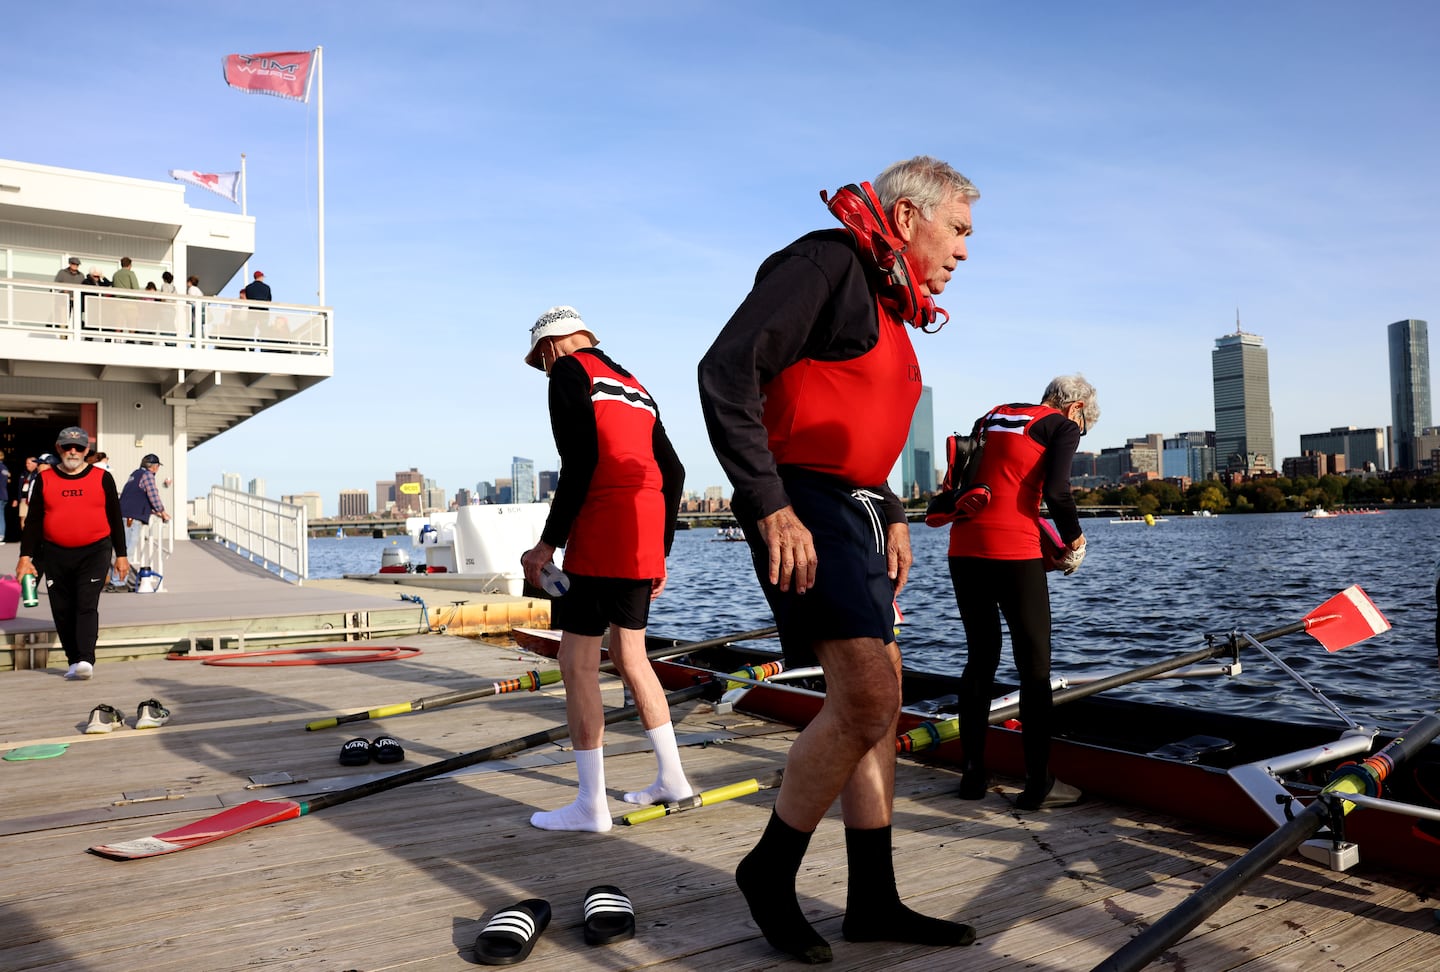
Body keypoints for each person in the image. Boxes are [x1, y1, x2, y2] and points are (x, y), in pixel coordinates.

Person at [697, 155, 980, 963]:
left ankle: (874, 899)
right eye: (957, 230)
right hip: (801, 500)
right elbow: (726, 371)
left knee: (881, 710)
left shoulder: (892, 302)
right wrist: (769, 503)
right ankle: (769, 869)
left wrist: (887, 507)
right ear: (904, 217)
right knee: (866, 695)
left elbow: (854, 418)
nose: (964, 250)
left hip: (854, 509)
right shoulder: (826, 261)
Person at [518, 305, 691, 833]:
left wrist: (547, 545)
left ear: (551, 348)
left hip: (601, 528)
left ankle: (592, 806)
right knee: (631, 655)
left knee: (577, 662)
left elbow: (581, 462)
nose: (544, 371)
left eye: (540, 361)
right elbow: (675, 470)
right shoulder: (634, 384)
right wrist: (659, 549)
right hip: (642, 534)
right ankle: (673, 778)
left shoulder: (569, 373)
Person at [945, 375, 1098, 812]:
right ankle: (1038, 785)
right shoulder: (1061, 426)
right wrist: (1076, 541)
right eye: (1084, 424)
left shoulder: (992, 416)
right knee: (1034, 668)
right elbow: (1056, 492)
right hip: (1014, 552)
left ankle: (972, 775)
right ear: (1077, 408)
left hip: (964, 547)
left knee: (980, 659)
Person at [14, 427, 128, 681]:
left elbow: (115, 518)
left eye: (78, 448)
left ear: (87, 450)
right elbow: (33, 521)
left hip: (95, 550)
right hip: (55, 552)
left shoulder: (102, 478)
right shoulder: (44, 479)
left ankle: (86, 658)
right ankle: (73, 660)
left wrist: (121, 554)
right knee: (62, 608)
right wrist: (25, 557)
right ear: (58, 449)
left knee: (86, 603)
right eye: (67, 447)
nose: (72, 451)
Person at [120, 453, 169, 574]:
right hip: (132, 517)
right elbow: (153, 495)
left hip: (124, 514)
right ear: (154, 466)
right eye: (158, 466)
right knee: (127, 551)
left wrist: (152, 511)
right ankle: (119, 582)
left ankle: (118, 580)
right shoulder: (148, 475)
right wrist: (162, 512)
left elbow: (139, 497)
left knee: (122, 550)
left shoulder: (135, 474)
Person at [16, 456, 39, 530]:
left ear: (35, 464)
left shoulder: (38, 474)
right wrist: (17, 499)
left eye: (28, 463)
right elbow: (19, 487)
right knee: (23, 517)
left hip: (33, 500)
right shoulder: (24, 473)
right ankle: (24, 535)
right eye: (26, 463)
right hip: (24, 499)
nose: (27, 465)